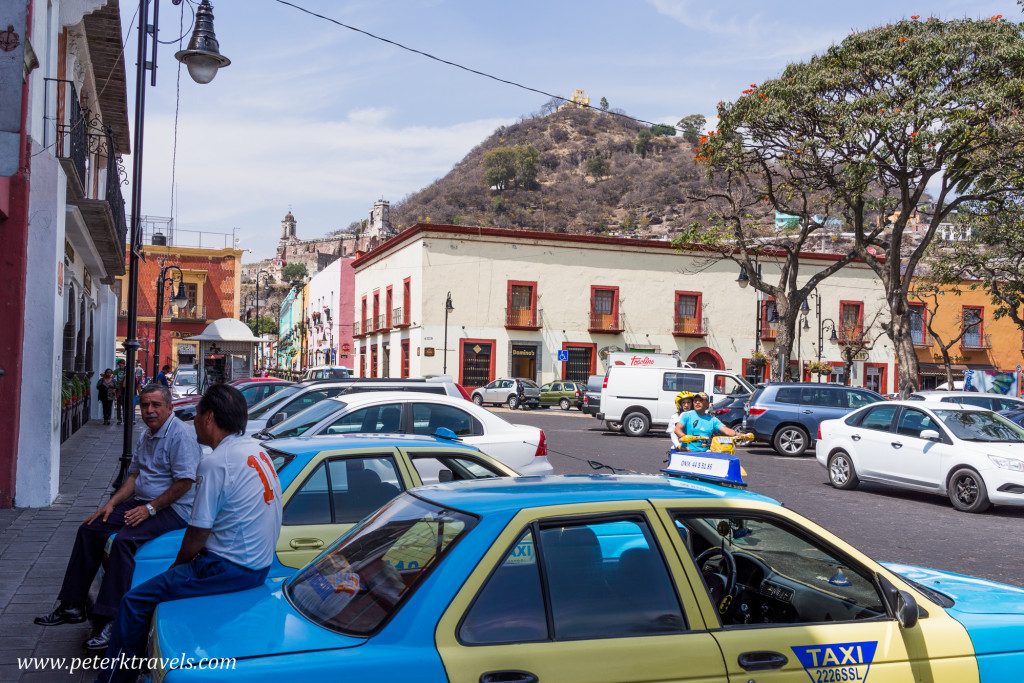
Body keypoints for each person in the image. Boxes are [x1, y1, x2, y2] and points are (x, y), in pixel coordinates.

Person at [97, 384, 283, 683]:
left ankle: (113, 679)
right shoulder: (255, 451)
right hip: (257, 564)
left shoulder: (215, 462)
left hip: (227, 567)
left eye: (195, 414)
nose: (192, 420)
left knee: (134, 601)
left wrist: (176, 568)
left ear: (209, 417)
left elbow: (196, 535)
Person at [35, 384, 201, 652]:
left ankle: (110, 621)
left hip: (174, 508)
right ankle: (73, 605)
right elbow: (134, 476)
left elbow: (184, 482)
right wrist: (110, 504)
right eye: (145, 404)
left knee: (124, 541)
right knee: (90, 528)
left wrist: (150, 509)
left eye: (156, 405)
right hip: (144, 502)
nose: (149, 410)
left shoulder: (180, 436)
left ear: (170, 407)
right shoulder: (146, 434)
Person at [674, 392, 739, 452]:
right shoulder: (686, 415)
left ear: (708, 404)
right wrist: (684, 436)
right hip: (687, 452)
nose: (697, 402)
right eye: (695, 401)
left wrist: (742, 435)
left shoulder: (712, 419)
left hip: (705, 454)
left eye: (701, 401)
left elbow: (726, 430)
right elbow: (677, 429)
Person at [112, 359, 126, 425]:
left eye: (122, 365)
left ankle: (125, 418)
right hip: (118, 388)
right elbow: (112, 375)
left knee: (124, 405)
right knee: (118, 404)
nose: (121, 366)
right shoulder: (117, 370)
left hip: (125, 388)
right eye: (120, 365)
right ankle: (119, 419)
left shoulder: (126, 370)